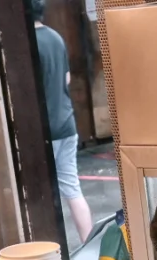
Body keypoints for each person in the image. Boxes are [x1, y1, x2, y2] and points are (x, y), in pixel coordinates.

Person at [32, 0, 93, 242]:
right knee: (72, 188)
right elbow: (66, 78)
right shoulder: (56, 37)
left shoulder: (27, 44)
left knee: (42, 197)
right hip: (66, 124)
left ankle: (50, 251)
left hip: (43, 130)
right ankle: (89, 243)